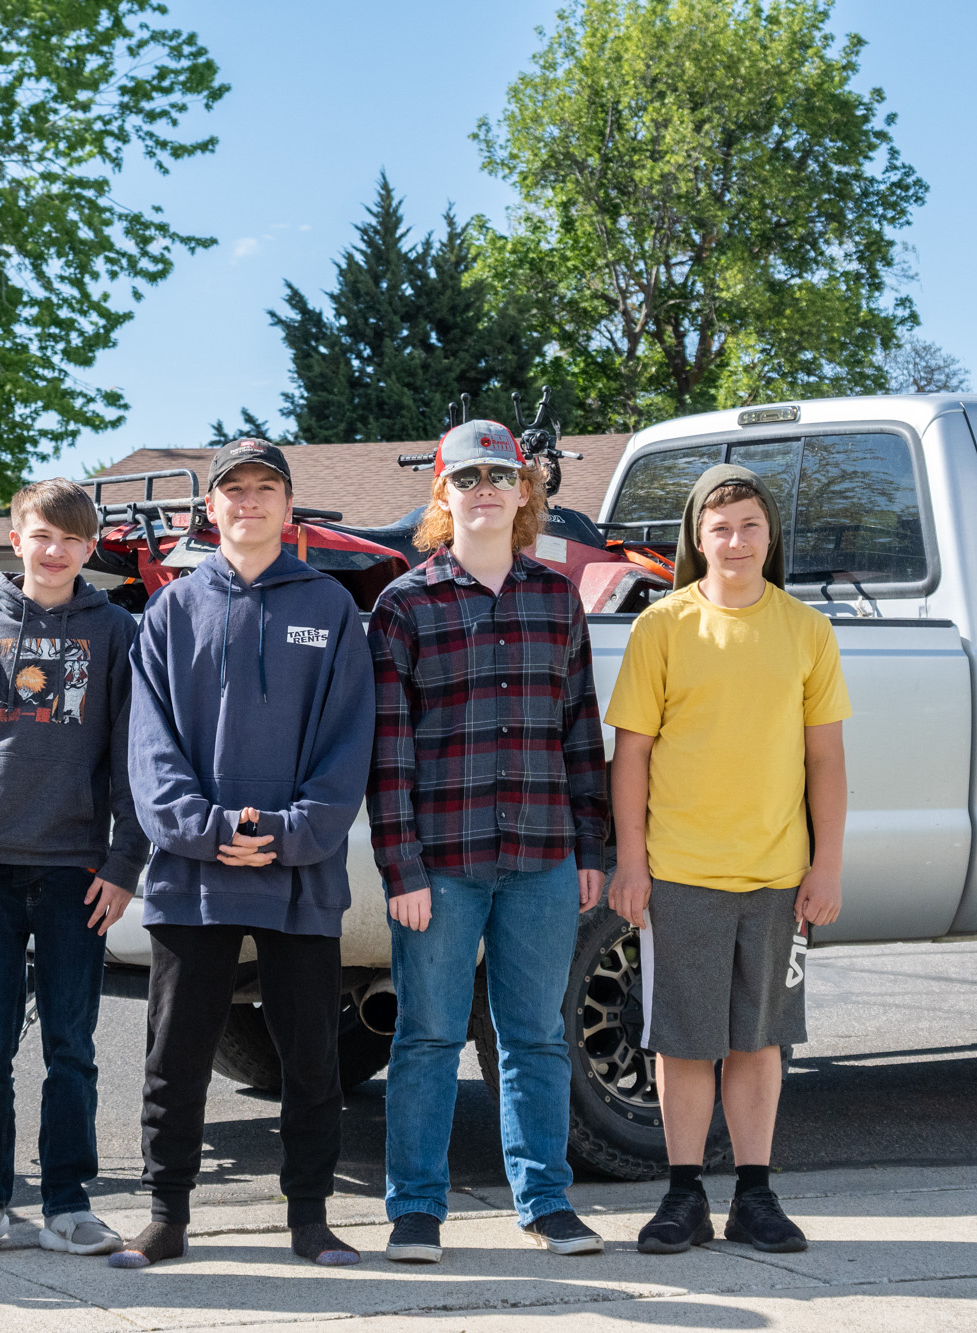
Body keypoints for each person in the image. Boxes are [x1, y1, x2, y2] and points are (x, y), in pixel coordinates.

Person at [112, 439, 375, 1270]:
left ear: (287, 507)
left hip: (301, 876)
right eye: (235, 489)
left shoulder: (330, 608)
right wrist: (205, 829)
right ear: (211, 508)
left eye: (266, 488)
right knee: (176, 1053)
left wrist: (294, 832)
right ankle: (166, 1214)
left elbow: (348, 744)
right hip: (193, 876)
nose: (250, 501)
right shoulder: (171, 611)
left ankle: (310, 1217)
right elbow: (149, 747)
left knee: (312, 1056)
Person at [367, 420, 610, 1263]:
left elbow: (580, 734)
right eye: (466, 477)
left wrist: (591, 849)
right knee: (428, 1037)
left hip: (544, 859)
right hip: (440, 866)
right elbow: (388, 753)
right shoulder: (404, 606)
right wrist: (400, 867)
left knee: (536, 1036)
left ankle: (547, 1203)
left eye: (499, 476)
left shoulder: (557, 599)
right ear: (442, 494)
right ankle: (415, 1209)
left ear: (524, 490)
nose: (484, 490)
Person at [604, 463, 850, 1256]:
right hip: (681, 873)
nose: (736, 540)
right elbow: (631, 755)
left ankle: (755, 1193)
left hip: (778, 878)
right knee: (683, 1041)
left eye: (750, 525)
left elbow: (826, 760)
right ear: (697, 538)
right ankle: (683, 1194)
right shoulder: (663, 627)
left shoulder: (806, 631)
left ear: (770, 535)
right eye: (720, 528)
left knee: (759, 1039)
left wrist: (826, 864)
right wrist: (631, 862)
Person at [0, 477, 148, 1260]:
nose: (55, 549)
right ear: (15, 539)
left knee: (71, 1047)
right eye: (41, 534)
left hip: (77, 874)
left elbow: (132, 755)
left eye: (71, 538)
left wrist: (125, 861)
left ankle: (68, 1205)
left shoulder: (115, 632)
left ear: (91, 549)